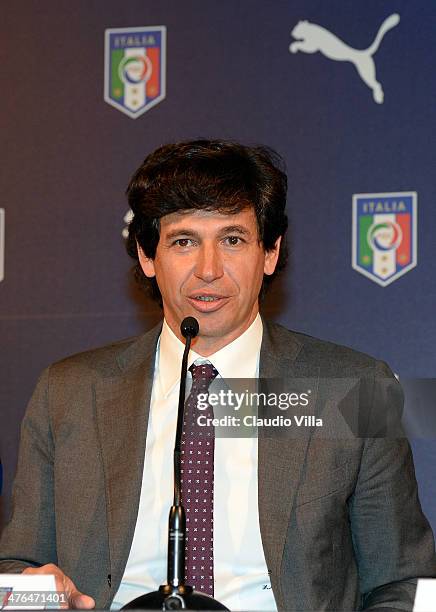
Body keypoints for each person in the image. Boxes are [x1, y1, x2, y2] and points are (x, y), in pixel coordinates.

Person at [0, 140, 435, 611]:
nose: (208, 270)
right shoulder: (67, 391)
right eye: (184, 241)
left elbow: (406, 582)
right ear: (148, 257)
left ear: (269, 253)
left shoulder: (357, 388)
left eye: (232, 239)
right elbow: (14, 570)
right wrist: (38, 597)